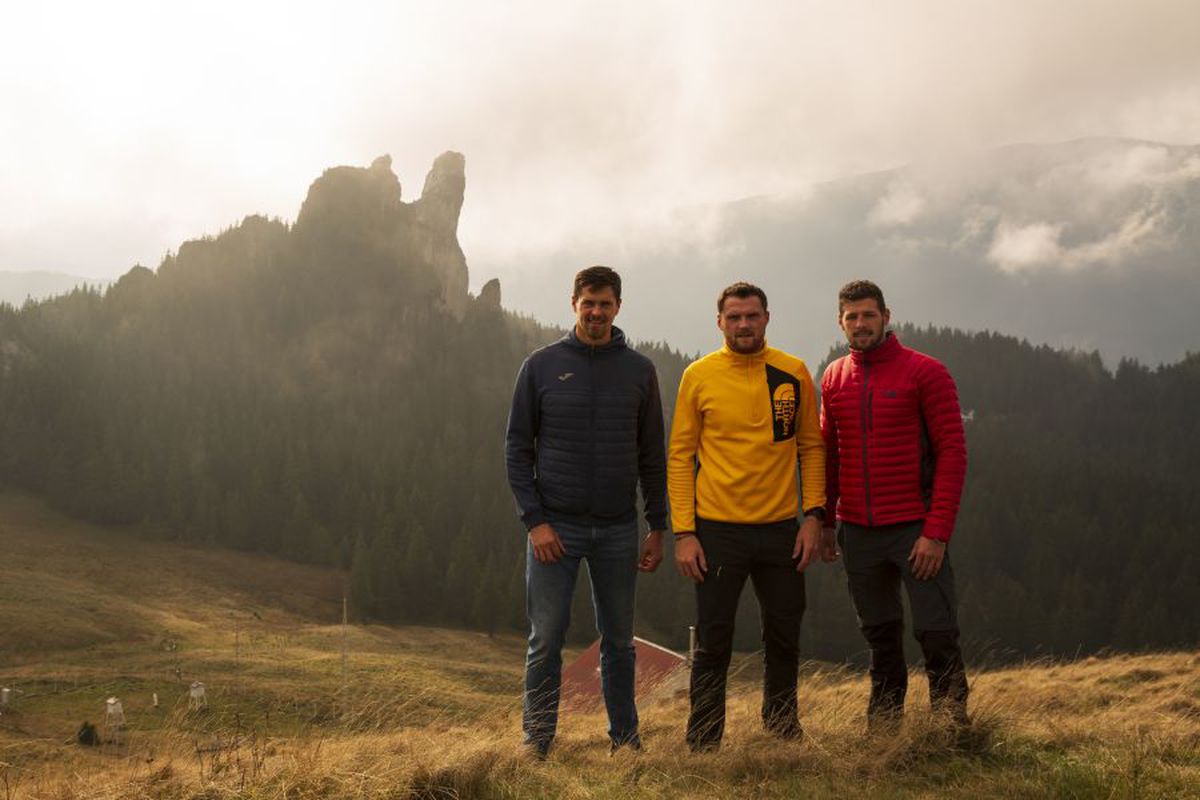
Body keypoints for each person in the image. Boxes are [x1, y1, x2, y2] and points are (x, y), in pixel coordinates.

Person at [505, 265, 668, 759]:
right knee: (545, 641)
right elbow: (516, 449)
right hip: (556, 527)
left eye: (605, 304)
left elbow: (651, 455)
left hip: (619, 528)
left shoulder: (639, 371)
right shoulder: (541, 366)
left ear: (618, 307)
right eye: (588, 303)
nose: (596, 312)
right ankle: (537, 742)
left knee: (619, 641)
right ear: (573, 303)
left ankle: (625, 740)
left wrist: (657, 525)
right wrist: (535, 522)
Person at [669, 282, 826, 752]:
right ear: (719, 322)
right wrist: (684, 532)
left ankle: (781, 730)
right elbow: (680, 455)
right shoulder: (698, 375)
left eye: (751, 316)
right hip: (716, 531)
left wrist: (814, 515)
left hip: (781, 529)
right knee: (713, 642)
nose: (743, 324)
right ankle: (703, 742)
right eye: (734, 317)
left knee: (784, 634)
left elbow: (811, 447)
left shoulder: (792, 372)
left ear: (766, 318)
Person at [819, 279, 970, 729]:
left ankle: (951, 731)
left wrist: (936, 532)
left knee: (937, 634)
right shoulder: (833, 376)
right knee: (881, 639)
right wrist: (826, 522)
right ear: (841, 322)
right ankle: (883, 735)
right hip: (859, 533)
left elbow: (953, 454)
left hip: (915, 528)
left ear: (886, 317)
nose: (860, 323)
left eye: (869, 314)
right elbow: (829, 455)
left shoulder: (926, 372)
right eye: (852, 316)